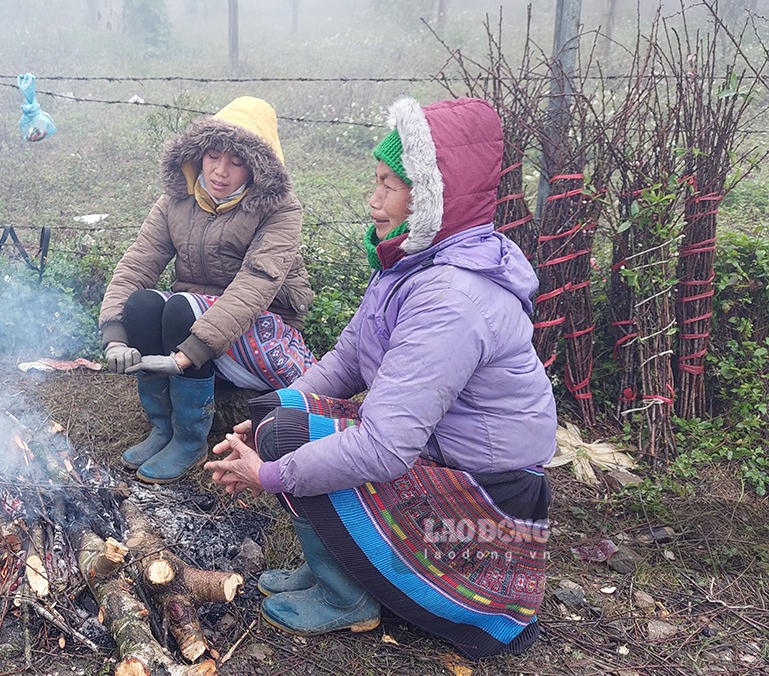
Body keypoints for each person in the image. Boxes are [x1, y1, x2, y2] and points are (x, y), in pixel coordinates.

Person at [206, 96, 557, 660]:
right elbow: (345, 363)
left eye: (388, 184)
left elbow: (386, 448)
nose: (373, 201)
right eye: (376, 181)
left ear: (432, 197)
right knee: (280, 418)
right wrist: (266, 409)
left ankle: (347, 597)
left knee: (287, 443)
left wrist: (269, 473)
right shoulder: (411, 265)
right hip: (441, 453)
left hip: (483, 495)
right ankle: (333, 573)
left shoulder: (452, 298)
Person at [99, 96, 315, 484]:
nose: (220, 171)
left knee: (181, 307)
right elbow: (139, 262)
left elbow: (255, 286)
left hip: (263, 324)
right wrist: (115, 336)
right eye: (214, 156)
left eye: (237, 162)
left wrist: (188, 354)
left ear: (257, 167)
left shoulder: (279, 209)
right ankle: (162, 427)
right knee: (143, 303)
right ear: (199, 154)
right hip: (195, 314)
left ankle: (189, 438)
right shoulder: (176, 199)